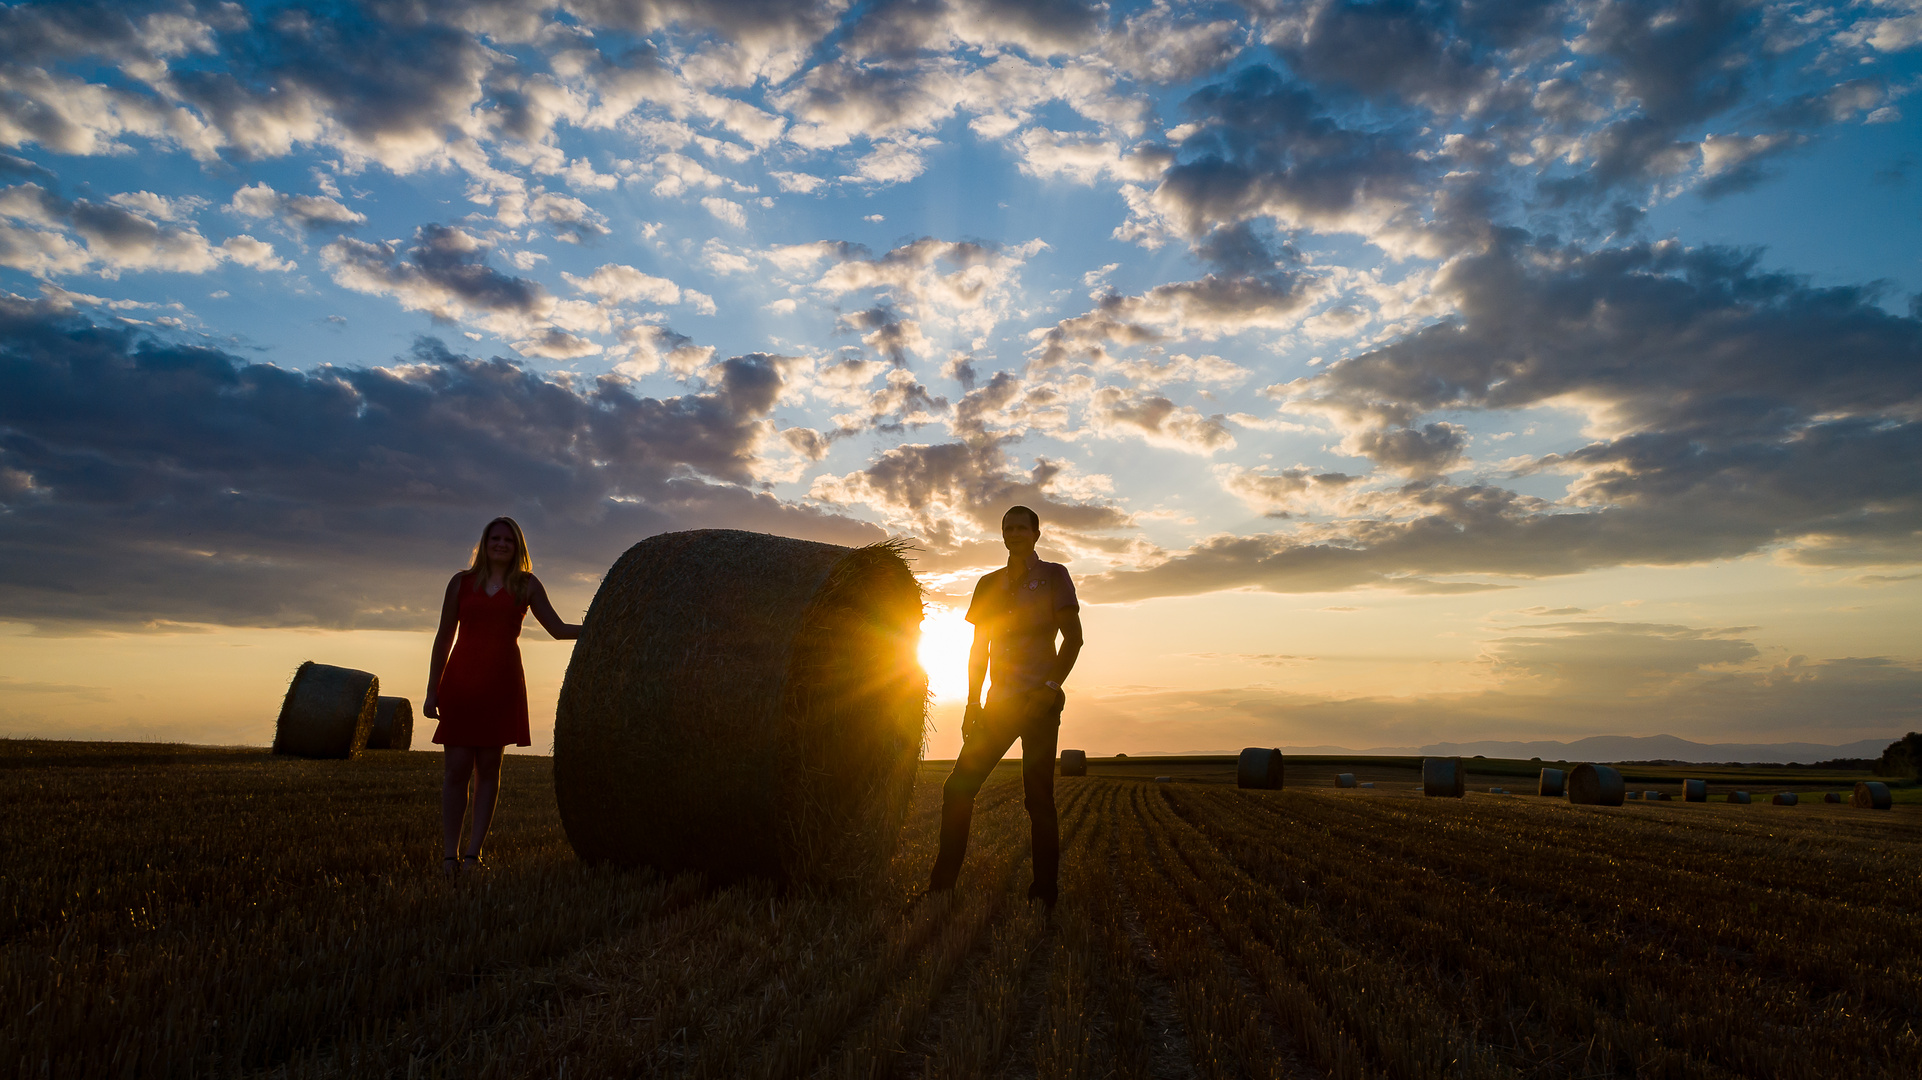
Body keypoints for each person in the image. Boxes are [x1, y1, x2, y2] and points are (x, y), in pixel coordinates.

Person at [927, 505, 1084, 908]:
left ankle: (1044, 894)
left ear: (1036, 533)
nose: (1014, 533)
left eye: (1021, 527)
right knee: (958, 787)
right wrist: (971, 701)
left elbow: (1074, 639)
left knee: (1038, 799)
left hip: (1038, 704)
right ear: (1002, 535)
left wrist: (1051, 688)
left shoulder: (1054, 576)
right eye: (1007, 527)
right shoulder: (988, 584)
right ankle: (942, 887)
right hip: (997, 704)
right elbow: (979, 648)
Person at [423, 517, 580, 877]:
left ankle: (472, 856)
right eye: (495, 538)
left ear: (517, 546)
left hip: (501, 684)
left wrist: (600, 625)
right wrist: (433, 687)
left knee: (489, 771)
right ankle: (449, 855)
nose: (500, 544)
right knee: (456, 770)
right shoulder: (460, 583)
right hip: (461, 682)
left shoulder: (527, 585)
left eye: (508, 540)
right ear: (484, 542)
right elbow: (444, 636)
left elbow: (556, 630)